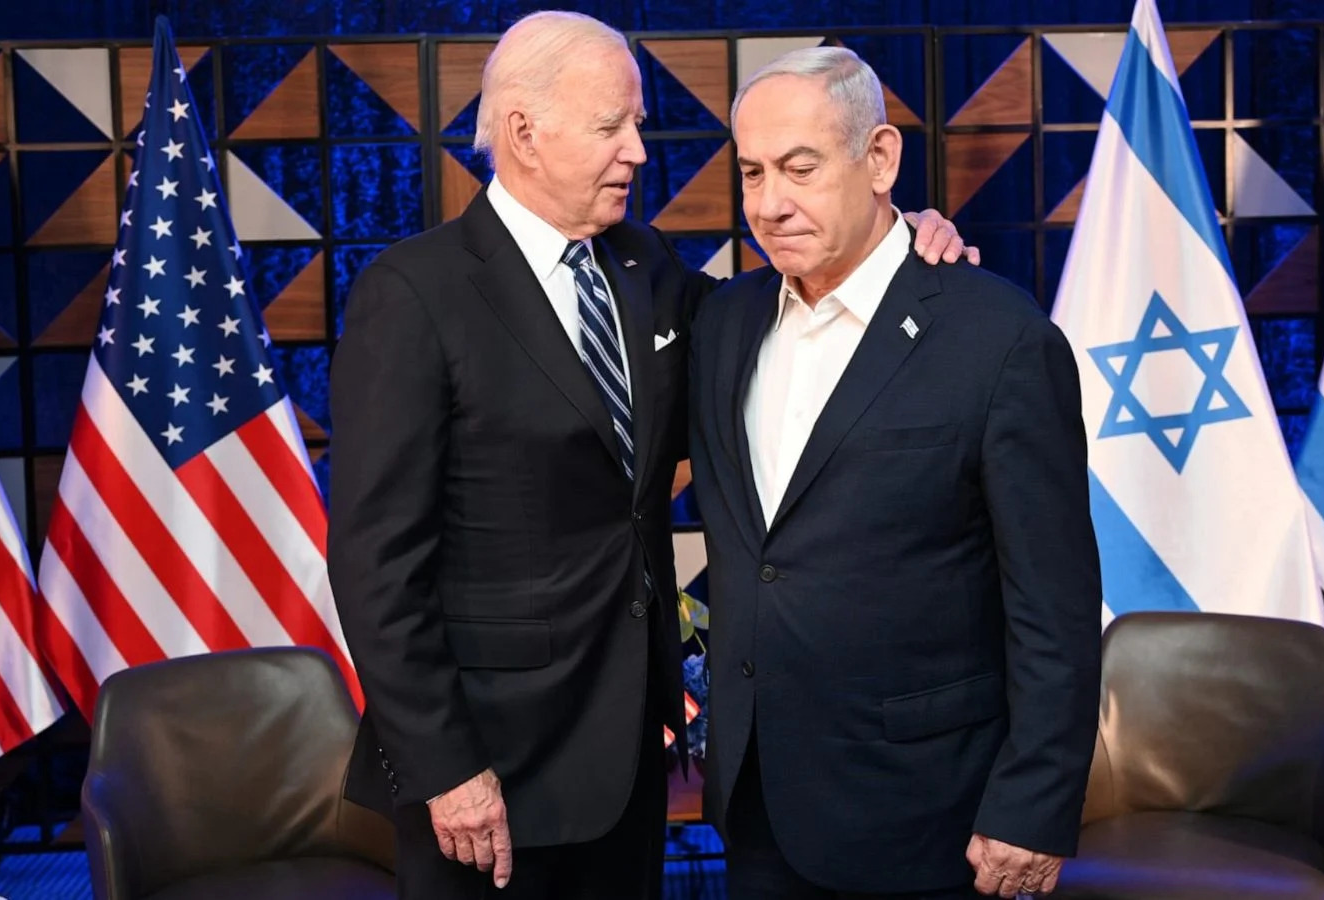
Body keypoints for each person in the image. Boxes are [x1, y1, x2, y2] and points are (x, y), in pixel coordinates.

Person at [327, 13, 972, 899]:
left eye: (635, 123)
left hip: (630, 757)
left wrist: (899, 239)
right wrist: (444, 768)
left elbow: (781, 316)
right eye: (612, 127)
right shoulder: (412, 294)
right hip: (487, 774)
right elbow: (375, 567)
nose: (639, 149)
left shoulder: (643, 264)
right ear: (523, 132)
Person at [687, 46, 1103, 899]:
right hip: (757, 801)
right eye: (754, 172)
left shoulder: (1000, 341)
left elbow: (1053, 605)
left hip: (929, 817)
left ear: (879, 159)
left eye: (801, 168)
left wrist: (1033, 804)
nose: (770, 204)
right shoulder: (721, 324)